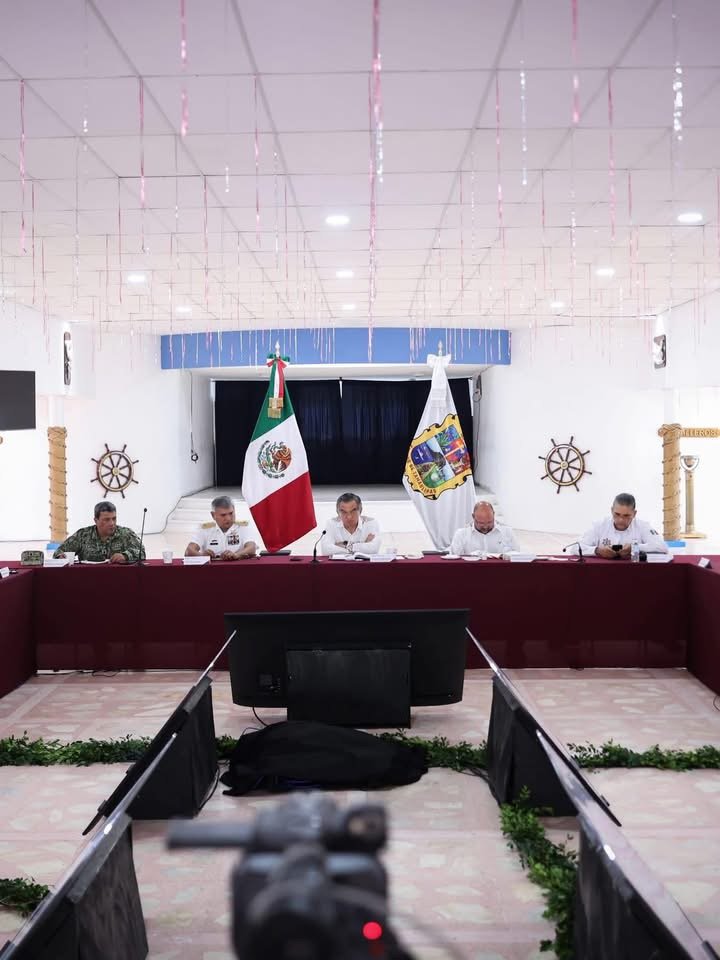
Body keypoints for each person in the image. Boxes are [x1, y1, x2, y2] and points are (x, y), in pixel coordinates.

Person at [578, 492, 668, 558]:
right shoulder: (599, 525)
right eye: (617, 514)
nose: (621, 520)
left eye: (626, 516)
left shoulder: (642, 526)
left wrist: (635, 547)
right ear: (611, 510)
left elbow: (662, 547)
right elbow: (575, 547)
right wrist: (597, 550)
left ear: (634, 514)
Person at [54, 500, 145, 563]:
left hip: (118, 579)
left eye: (114, 519)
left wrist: (125, 556)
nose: (112, 523)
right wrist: (61, 556)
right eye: (106, 519)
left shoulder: (126, 534)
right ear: (96, 520)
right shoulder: (83, 535)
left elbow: (142, 552)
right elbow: (59, 551)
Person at [185, 495, 257, 560]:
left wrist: (236, 555)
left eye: (231, 513)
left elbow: (252, 548)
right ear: (213, 515)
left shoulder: (243, 527)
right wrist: (202, 555)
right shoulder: (205, 529)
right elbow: (188, 551)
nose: (228, 518)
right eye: (223, 515)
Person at [450, 500, 519, 555]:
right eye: (481, 523)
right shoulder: (461, 534)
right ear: (473, 516)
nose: (485, 527)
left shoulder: (507, 532)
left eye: (489, 522)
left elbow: (517, 556)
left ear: (494, 515)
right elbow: (455, 559)